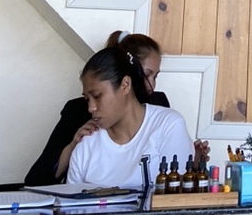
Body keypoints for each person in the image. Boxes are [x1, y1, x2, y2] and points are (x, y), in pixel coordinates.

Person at [25, 31, 169, 185]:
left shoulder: (159, 108)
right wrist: (72, 146)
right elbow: (35, 181)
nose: (151, 85)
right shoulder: (77, 111)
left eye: (155, 76)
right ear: (126, 75)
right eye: (146, 75)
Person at [67, 45, 193, 189]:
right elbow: (70, 200)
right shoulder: (87, 143)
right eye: (87, 99)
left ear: (125, 85)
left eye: (97, 96)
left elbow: (177, 197)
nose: (91, 108)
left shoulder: (168, 126)